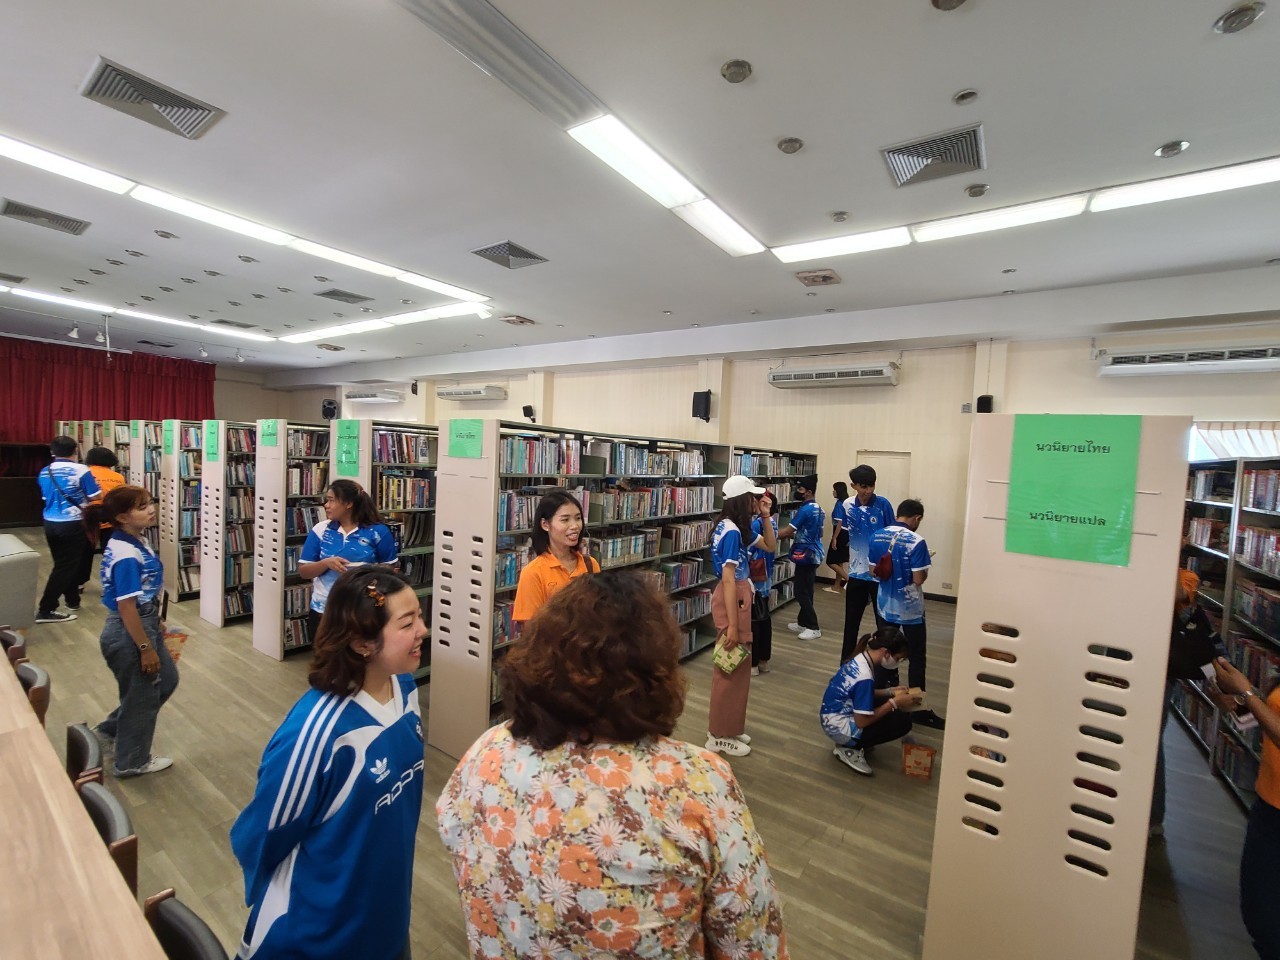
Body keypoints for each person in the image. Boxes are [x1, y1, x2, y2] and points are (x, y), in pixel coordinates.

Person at [436, 572, 789, 959]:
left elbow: (453, 836)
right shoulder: (701, 783)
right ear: (657, 668)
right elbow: (753, 942)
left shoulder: (486, 753)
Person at [231, 567, 426, 960]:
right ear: (362, 642)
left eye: (419, 616)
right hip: (318, 936)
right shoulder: (318, 733)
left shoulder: (404, 687)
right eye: (407, 624)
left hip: (385, 915)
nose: (423, 630)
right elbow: (260, 836)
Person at [83, 486, 179, 777]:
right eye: (141, 507)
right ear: (122, 517)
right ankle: (131, 762)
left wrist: (155, 621)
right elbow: (126, 606)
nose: (151, 509)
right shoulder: (126, 553)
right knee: (143, 696)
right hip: (129, 632)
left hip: (143, 621)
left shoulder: (134, 539)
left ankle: (110, 731)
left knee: (166, 681)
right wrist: (145, 647)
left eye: (150, 503)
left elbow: (140, 596)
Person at [1209, 656, 1280, 959]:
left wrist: (1247, 693)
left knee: (1267, 922)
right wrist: (1234, 703)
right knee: (1258, 912)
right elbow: (1268, 721)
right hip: (1269, 805)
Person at [707, 476, 775, 756]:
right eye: (752, 497)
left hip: (738, 595)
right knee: (731, 667)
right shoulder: (733, 532)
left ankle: (730, 726)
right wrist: (733, 626)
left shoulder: (733, 527)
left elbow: (770, 546)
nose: (756, 501)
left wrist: (766, 516)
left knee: (737, 665)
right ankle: (720, 734)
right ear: (741, 500)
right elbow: (728, 578)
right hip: (734, 597)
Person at [1151, 568, 1218, 838]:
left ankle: (1152, 818)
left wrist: (1166, 557)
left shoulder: (1185, 576)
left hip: (1163, 666)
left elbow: (1177, 593)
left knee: (1152, 742)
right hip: (1131, 655)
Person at [868, 499, 945, 730]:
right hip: (910, 610)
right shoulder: (917, 541)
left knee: (884, 653)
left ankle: (879, 699)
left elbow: (873, 572)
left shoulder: (876, 536)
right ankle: (917, 709)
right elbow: (919, 579)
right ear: (917, 518)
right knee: (916, 657)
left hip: (884, 605)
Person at [298, 479, 398, 645]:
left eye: (331, 500)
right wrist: (325, 563)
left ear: (348, 504)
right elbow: (303, 572)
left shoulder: (378, 532)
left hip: (364, 610)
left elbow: (390, 571)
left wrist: (369, 572)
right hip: (324, 610)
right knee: (325, 658)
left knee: (360, 656)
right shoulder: (321, 530)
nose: (326, 505)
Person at [821, 628, 919, 775]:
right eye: (898, 658)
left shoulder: (862, 659)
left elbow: (861, 692)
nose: (897, 662)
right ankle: (850, 747)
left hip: (833, 718)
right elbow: (861, 722)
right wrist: (894, 702)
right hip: (839, 729)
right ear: (885, 652)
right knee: (902, 722)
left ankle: (857, 741)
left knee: (890, 707)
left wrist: (890, 692)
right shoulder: (865, 675)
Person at [36, 434, 101, 623]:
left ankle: (72, 600)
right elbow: (95, 496)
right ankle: (46, 609)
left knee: (64, 564)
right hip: (73, 522)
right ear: (75, 450)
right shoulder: (81, 470)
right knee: (65, 566)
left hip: (50, 522)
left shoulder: (45, 471)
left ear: (52, 452)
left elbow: (45, 498)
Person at [511, 488, 599, 625]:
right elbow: (530, 628)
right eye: (565, 520)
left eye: (578, 518)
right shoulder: (533, 573)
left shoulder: (591, 564)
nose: (575, 526)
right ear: (545, 524)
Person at [839, 464, 896, 663]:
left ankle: (885, 667)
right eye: (863, 486)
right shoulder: (847, 505)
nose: (868, 490)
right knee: (851, 624)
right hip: (856, 574)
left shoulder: (883, 505)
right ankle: (846, 664)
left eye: (871, 485)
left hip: (879, 576)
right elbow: (846, 534)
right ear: (853, 486)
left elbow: (892, 536)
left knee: (884, 626)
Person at [779, 474, 825, 641]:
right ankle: (803, 622)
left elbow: (787, 531)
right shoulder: (819, 508)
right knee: (807, 589)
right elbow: (819, 532)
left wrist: (766, 535)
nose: (797, 491)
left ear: (809, 492)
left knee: (800, 591)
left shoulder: (805, 510)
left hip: (806, 555)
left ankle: (814, 627)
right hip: (815, 553)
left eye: (800, 489)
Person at [78, 446, 127, 589]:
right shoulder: (118, 477)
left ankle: (80, 583)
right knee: (110, 553)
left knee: (85, 553)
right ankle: (110, 585)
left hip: (88, 518)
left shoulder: (85, 474)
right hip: (110, 518)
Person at [750, 492, 779, 676]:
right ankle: (764, 660)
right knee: (764, 617)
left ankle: (753, 663)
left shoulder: (755, 523)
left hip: (755, 576)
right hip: (766, 573)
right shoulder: (771, 522)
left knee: (754, 621)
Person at [824, 481, 850, 593]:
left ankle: (850, 581)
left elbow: (839, 522)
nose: (833, 492)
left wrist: (834, 538)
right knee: (839, 561)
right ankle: (836, 586)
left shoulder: (840, 504)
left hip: (840, 533)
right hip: (846, 533)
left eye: (834, 489)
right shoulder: (847, 502)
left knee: (831, 561)